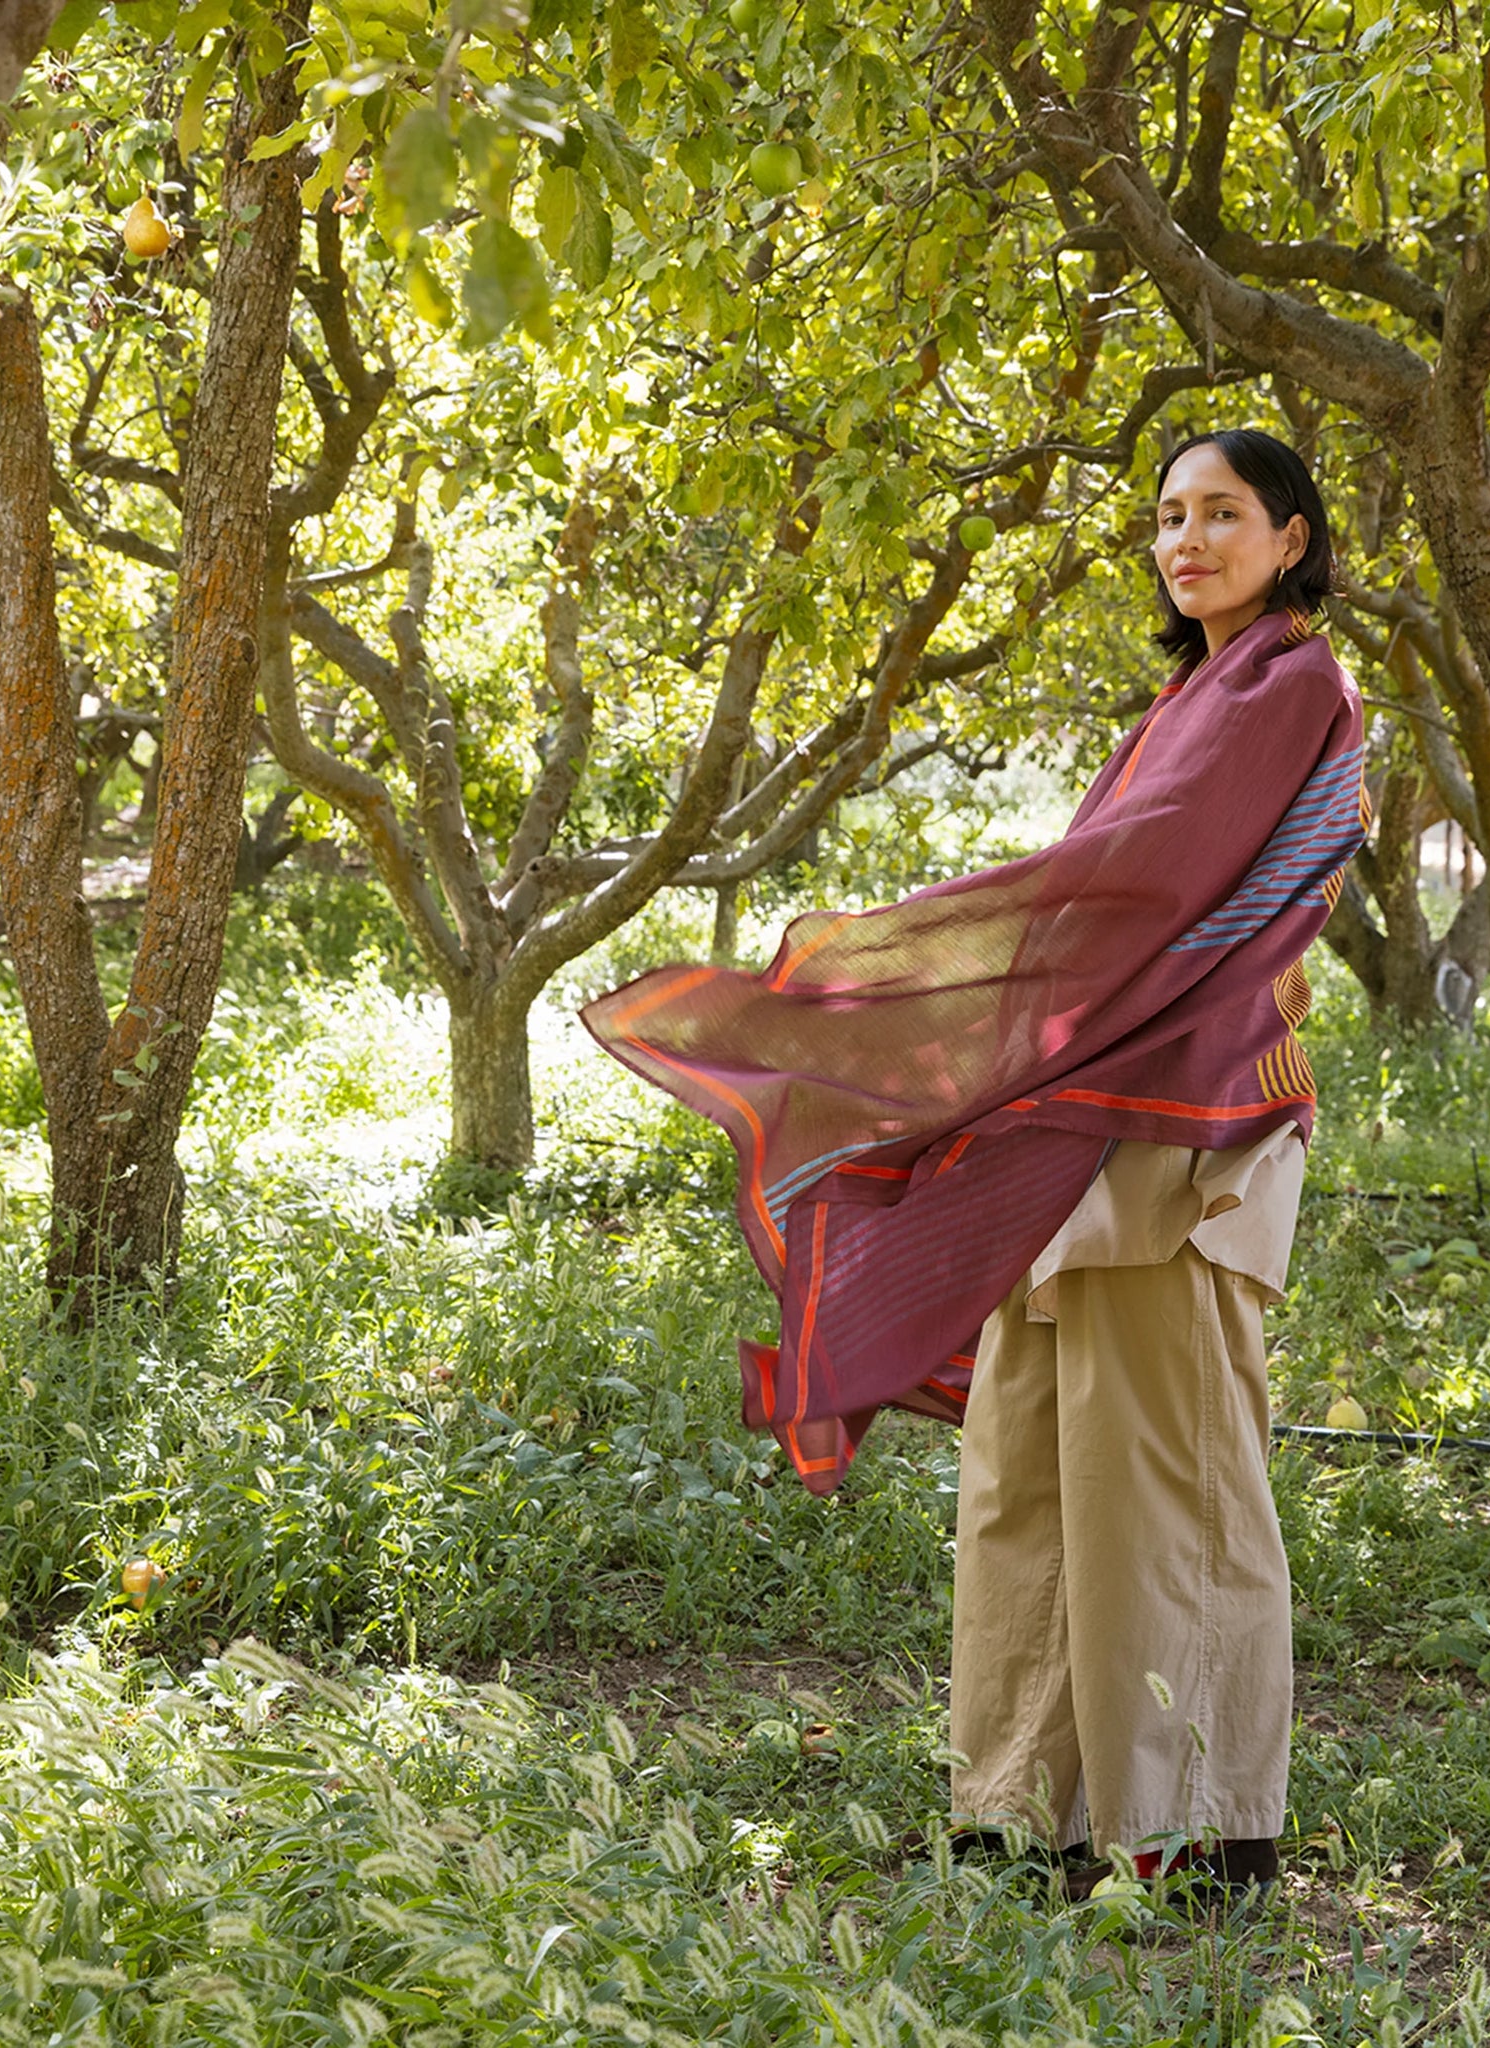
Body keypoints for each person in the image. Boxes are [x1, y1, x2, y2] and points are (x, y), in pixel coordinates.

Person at [582, 426, 1368, 1898]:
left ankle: (1195, 1828)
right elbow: (1117, 895)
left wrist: (902, 969)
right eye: (1169, 517)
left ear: (1294, 540)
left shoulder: (1292, 684)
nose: (1188, 541)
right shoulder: (1191, 694)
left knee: (1170, 1480)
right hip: (1071, 1121)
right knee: (1030, 1472)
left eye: (1224, 515)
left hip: (1187, 1133)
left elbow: (1143, 892)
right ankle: (1021, 1811)